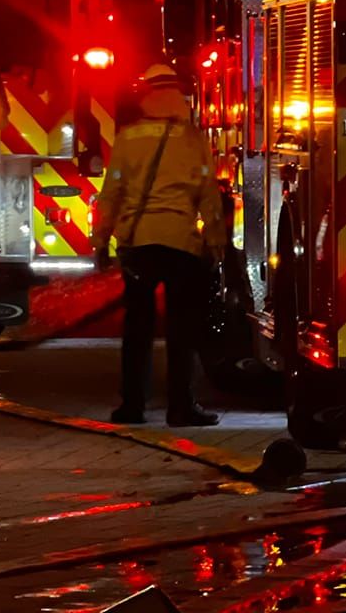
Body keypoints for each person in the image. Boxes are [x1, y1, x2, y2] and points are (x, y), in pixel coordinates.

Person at [92, 63, 226, 427]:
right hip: (181, 244)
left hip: (139, 244)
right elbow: (209, 197)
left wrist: (101, 241)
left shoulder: (129, 137)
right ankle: (181, 408)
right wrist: (216, 244)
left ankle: (132, 406)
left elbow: (112, 194)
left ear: (146, 96)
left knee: (138, 330)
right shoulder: (193, 139)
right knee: (182, 332)